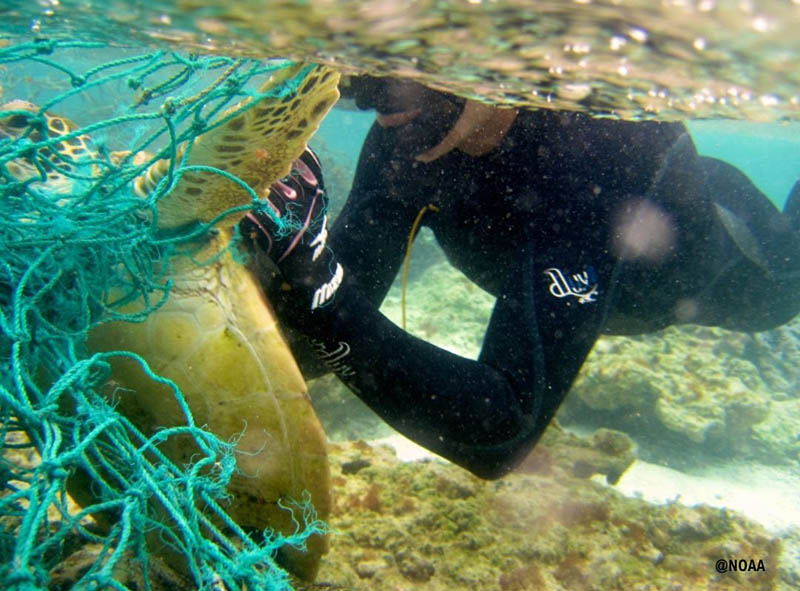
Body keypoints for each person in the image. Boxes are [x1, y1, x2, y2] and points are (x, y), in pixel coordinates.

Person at [239, 76, 800, 480]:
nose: (390, 105)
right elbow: (311, 349)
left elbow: (502, 434)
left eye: (411, 77)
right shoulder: (408, 136)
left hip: (740, 265)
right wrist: (282, 262)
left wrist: (320, 288)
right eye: (369, 86)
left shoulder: (609, 146)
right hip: (671, 207)